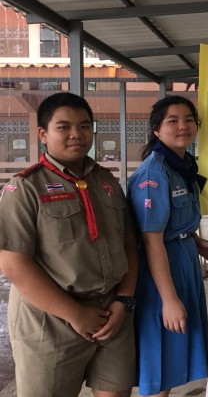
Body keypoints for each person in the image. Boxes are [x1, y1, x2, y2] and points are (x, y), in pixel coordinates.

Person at [0, 92, 138, 397]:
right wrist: (75, 314)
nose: (76, 134)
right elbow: (13, 264)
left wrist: (124, 301)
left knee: (117, 392)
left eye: (84, 126)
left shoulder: (106, 181)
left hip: (112, 315)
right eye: (64, 127)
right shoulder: (25, 188)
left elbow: (129, 243)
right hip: (50, 321)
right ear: (43, 134)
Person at [127, 95, 208, 397]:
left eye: (189, 120)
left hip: (183, 259)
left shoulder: (182, 165)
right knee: (161, 357)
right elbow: (151, 238)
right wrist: (168, 299)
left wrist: (194, 239)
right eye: (173, 121)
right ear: (156, 129)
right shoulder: (153, 173)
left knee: (176, 351)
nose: (183, 126)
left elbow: (172, 220)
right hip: (162, 270)